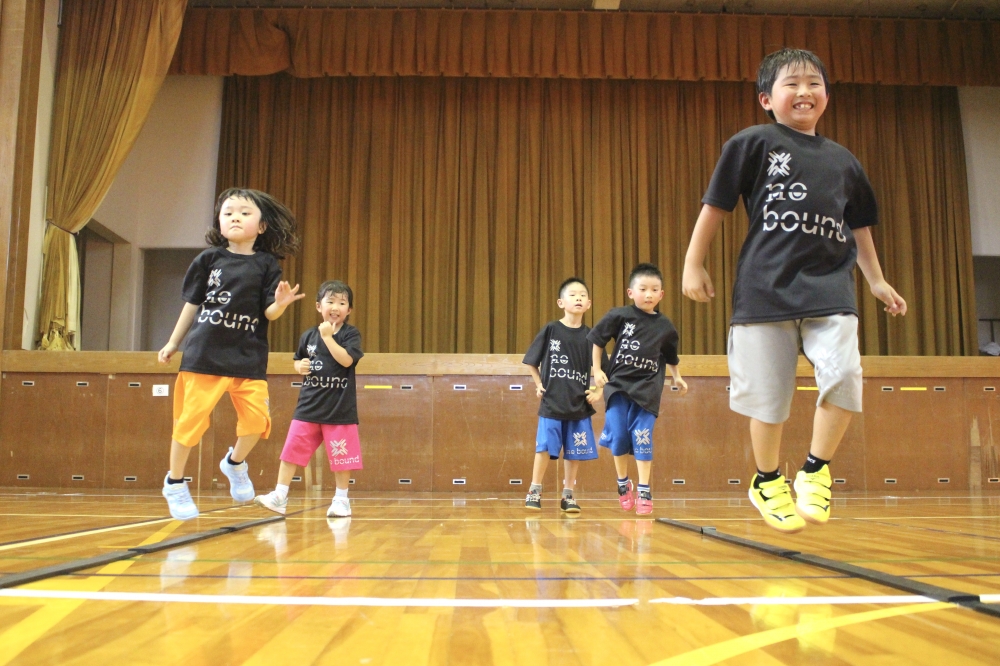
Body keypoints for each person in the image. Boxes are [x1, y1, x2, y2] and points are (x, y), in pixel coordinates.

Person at [682, 48, 907, 533]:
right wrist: (692, 263)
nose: (804, 92)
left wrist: (877, 280)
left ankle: (815, 469)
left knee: (845, 374)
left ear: (826, 94)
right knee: (768, 398)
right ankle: (766, 480)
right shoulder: (752, 143)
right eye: (791, 84)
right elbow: (715, 206)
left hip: (830, 288)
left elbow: (860, 227)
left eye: (813, 83)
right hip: (765, 289)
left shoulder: (844, 161)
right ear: (766, 98)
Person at [158, 188, 303, 520]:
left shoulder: (267, 265)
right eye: (228, 212)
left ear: (262, 226)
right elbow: (192, 304)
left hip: (248, 357)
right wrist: (172, 342)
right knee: (189, 423)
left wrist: (279, 305)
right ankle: (175, 482)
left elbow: (268, 313)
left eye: (244, 212)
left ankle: (234, 463)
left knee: (256, 422)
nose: (235, 216)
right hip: (203, 355)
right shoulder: (208, 259)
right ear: (219, 222)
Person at [254, 280, 364, 518]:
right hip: (308, 407)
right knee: (290, 451)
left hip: (339, 409)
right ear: (318, 306)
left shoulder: (350, 334)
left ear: (349, 310)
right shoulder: (308, 336)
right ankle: (279, 495)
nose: (336, 306)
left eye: (342, 303)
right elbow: (298, 359)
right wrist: (299, 366)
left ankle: (341, 500)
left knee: (342, 459)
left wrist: (328, 338)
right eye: (330, 301)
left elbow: (346, 360)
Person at [589, 263, 688, 515]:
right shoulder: (620, 315)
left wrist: (677, 377)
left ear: (661, 294)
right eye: (643, 288)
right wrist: (597, 370)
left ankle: (644, 488)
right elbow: (597, 340)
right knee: (620, 436)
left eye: (655, 289)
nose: (649, 294)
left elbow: (671, 356)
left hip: (648, 389)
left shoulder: (665, 326)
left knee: (643, 435)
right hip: (618, 387)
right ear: (631, 292)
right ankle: (623, 483)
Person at [522, 278, 602, 513]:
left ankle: (568, 495)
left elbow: (601, 371)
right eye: (573, 294)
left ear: (588, 303)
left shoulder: (592, 337)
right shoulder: (552, 329)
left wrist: (597, 391)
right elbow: (531, 362)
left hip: (578, 403)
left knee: (573, 451)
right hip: (552, 402)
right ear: (561, 302)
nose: (578, 298)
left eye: (582, 295)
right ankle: (534, 490)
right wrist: (538, 385)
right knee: (545, 448)